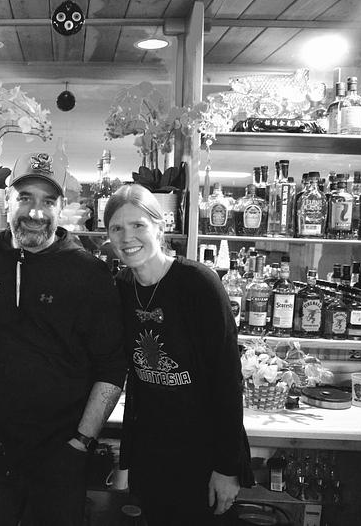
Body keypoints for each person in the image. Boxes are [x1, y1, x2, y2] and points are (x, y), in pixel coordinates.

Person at [0, 152, 127, 526]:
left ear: (62, 207)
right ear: (7, 200)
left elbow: (112, 366)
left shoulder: (89, 273)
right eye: (25, 197)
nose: (35, 212)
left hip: (59, 454)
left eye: (48, 201)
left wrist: (80, 442)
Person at [104, 184, 252, 526]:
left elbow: (228, 380)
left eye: (138, 225)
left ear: (160, 227)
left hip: (203, 452)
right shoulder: (122, 287)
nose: (127, 237)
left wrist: (227, 467)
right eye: (117, 228)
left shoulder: (198, 282)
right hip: (151, 451)